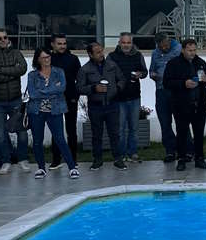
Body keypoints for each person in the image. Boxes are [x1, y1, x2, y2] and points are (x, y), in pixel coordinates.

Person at [27, 48, 79, 179]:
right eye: (44, 57)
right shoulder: (32, 75)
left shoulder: (58, 72)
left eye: (48, 57)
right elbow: (33, 94)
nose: (47, 60)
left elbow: (61, 88)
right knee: (37, 141)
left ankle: (72, 167)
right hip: (37, 111)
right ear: (38, 59)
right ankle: (41, 168)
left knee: (60, 139)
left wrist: (43, 91)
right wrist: (52, 90)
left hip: (55, 110)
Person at [77, 41, 128, 171]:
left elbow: (122, 79)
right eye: (97, 52)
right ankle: (97, 160)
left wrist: (117, 89)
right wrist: (94, 88)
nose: (101, 54)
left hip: (112, 105)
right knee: (96, 135)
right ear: (90, 54)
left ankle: (118, 159)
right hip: (96, 106)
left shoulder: (112, 65)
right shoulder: (85, 69)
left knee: (115, 134)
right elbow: (79, 88)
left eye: (102, 51)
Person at [163, 37, 206, 171]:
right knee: (182, 133)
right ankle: (181, 159)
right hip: (181, 105)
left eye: (194, 50)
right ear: (183, 50)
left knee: (199, 133)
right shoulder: (173, 63)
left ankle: (199, 158)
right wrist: (183, 84)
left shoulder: (200, 62)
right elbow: (167, 82)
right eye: (190, 50)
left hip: (199, 105)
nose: (192, 53)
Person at [149, 33, 191, 164]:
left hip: (176, 91)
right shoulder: (155, 53)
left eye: (166, 46)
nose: (164, 48)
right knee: (164, 123)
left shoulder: (179, 49)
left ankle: (188, 150)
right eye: (161, 47)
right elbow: (151, 70)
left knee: (182, 122)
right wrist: (153, 75)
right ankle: (170, 151)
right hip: (161, 91)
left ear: (169, 40)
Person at [0, 27, 31, 173]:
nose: (4, 40)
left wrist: (1, 70)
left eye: (5, 37)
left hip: (16, 100)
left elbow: (22, 69)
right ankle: (6, 161)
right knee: (0, 134)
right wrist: (12, 72)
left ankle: (23, 159)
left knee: (22, 132)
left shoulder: (16, 53)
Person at [111, 32, 148, 164]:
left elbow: (145, 72)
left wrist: (140, 74)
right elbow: (108, 74)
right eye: (124, 42)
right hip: (119, 98)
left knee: (134, 128)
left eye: (128, 42)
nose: (126, 45)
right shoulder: (112, 56)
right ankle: (121, 155)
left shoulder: (138, 55)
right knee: (120, 129)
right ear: (119, 43)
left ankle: (133, 153)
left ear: (132, 43)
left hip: (134, 96)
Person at [48, 34, 81, 170]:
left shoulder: (73, 59)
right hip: (54, 98)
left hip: (70, 98)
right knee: (56, 130)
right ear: (53, 44)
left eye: (64, 43)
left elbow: (80, 78)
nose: (62, 46)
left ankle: (73, 159)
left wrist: (76, 95)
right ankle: (56, 160)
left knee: (71, 130)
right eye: (59, 43)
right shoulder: (48, 59)